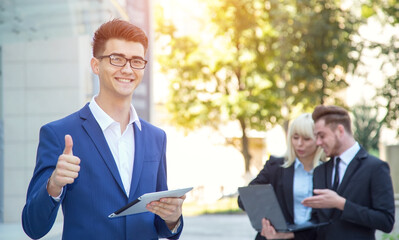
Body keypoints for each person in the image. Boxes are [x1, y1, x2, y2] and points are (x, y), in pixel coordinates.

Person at [22, 19, 185, 239]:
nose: (127, 69)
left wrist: (172, 217)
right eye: (116, 59)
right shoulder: (58, 134)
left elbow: (161, 225)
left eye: (136, 60)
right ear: (96, 65)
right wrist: (54, 184)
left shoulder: (156, 137)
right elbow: (33, 227)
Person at [302, 105, 395, 240]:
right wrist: (286, 234)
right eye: (316, 137)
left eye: (322, 136)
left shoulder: (376, 168)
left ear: (340, 131)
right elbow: (316, 223)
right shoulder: (320, 171)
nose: (318, 142)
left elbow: (386, 221)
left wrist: (341, 203)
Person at [238, 113, 325, 240]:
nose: (299, 144)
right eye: (295, 138)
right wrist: (262, 209)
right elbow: (244, 199)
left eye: (306, 139)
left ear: (318, 140)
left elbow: (328, 219)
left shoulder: (329, 171)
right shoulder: (275, 166)